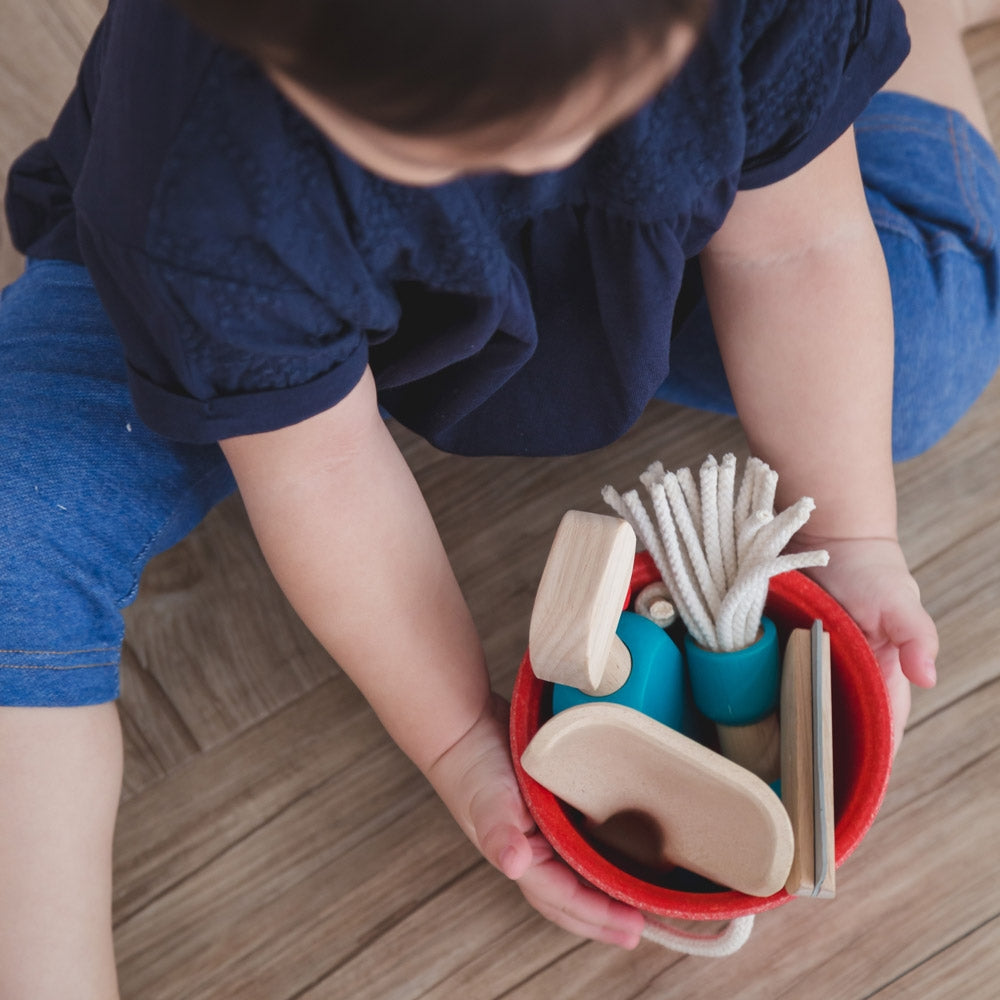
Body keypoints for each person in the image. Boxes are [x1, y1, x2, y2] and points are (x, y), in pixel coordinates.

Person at [1, 0, 998, 993]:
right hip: (236, 281)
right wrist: (455, 739)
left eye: (572, 116)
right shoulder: (197, 180)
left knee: (919, 361)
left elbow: (797, 251)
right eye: (439, 134)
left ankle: (920, 30)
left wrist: (854, 533)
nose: (522, 158)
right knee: (16, 534)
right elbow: (322, 468)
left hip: (640, 246)